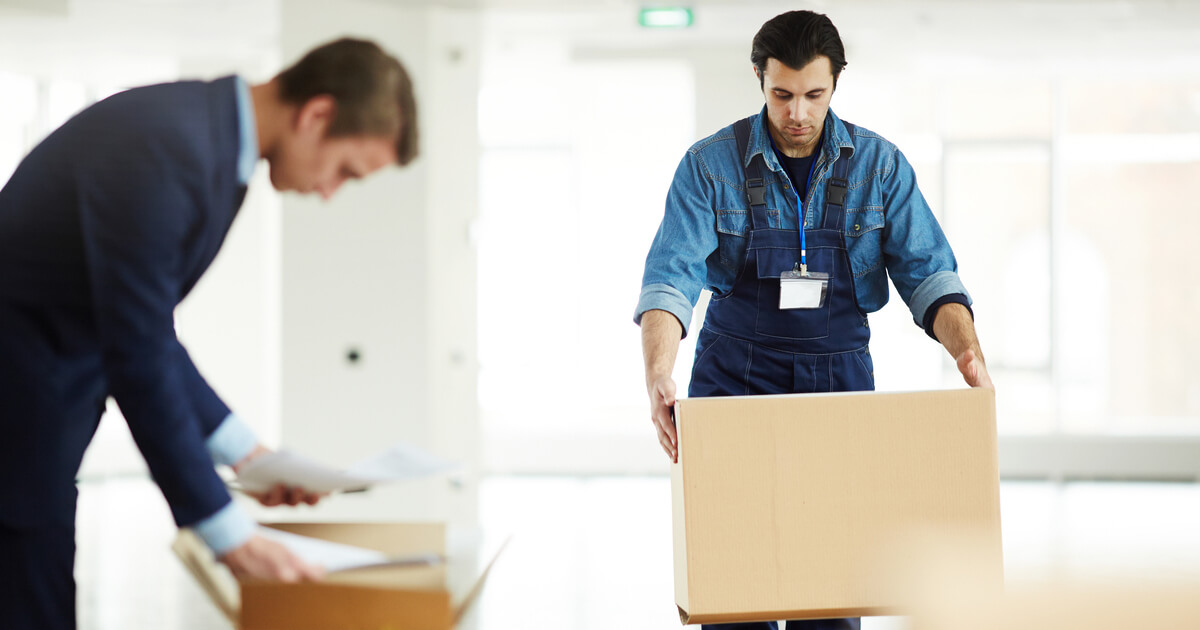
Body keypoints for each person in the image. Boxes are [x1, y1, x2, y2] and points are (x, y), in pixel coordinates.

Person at [0, 37, 418, 630]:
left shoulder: (208, 150)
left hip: (34, 430)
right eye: (345, 171)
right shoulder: (167, 148)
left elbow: (149, 333)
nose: (330, 192)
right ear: (317, 115)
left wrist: (249, 456)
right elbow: (137, 351)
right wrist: (224, 529)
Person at [635, 10, 992, 630]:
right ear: (759, 79)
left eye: (813, 95)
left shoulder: (880, 167)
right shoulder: (709, 166)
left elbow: (930, 274)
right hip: (731, 385)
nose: (797, 112)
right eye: (781, 95)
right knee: (732, 587)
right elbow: (669, 280)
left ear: (835, 85)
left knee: (831, 584)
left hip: (838, 387)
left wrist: (967, 353)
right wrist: (658, 373)